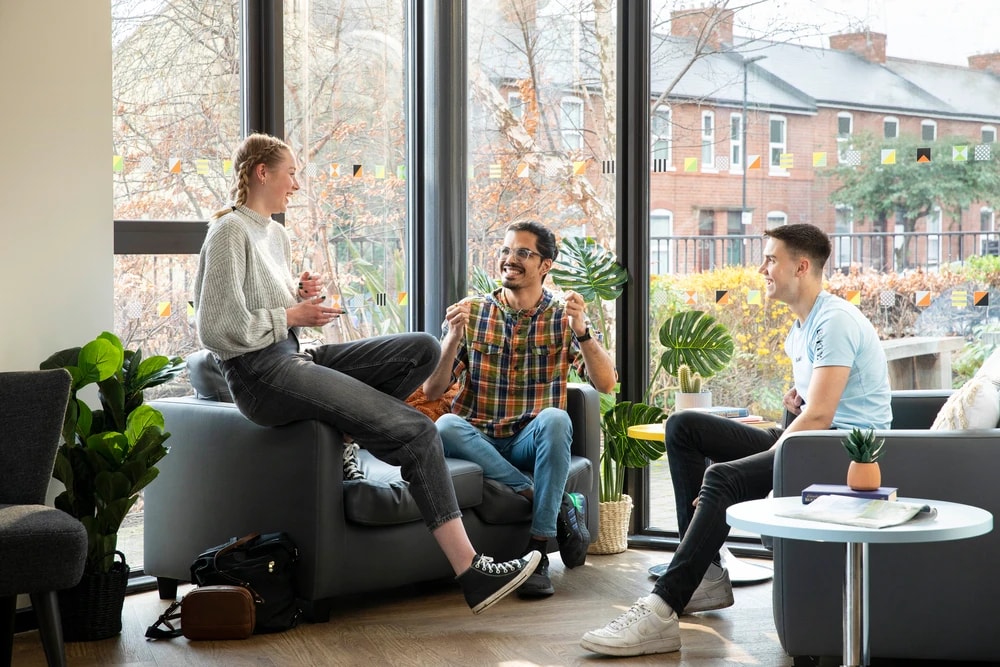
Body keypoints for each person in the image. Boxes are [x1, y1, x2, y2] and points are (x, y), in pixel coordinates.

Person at [193, 132, 540, 615]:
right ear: (261, 173)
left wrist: (298, 295)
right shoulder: (229, 231)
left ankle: (357, 435)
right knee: (418, 432)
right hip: (258, 374)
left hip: (294, 357)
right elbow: (215, 327)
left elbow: (263, 302)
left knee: (419, 349)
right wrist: (291, 316)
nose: (296, 183)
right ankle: (471, 572)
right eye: (290, 172)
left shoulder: (276, 233)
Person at [581, 223, 892, 656]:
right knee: (684, 425)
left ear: (801, 267)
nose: (762, 268)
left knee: (724, 479)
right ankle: (706, 576)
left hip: (844, 454)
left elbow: (821, 416)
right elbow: (813, 407)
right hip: (812, 439)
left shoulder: (833, 321)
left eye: (771, 259)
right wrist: (790, 408)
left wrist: (768, 451)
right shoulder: (802, 328)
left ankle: (661, 609)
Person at [422, 221, 618, 598]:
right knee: (446, 424)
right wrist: (452, 338)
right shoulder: (475, 311)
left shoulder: (562, 316)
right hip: (478, 435)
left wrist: (583, 332)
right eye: (506, 251)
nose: (510, 260)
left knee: (557, 419)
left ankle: (538, 553)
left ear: (546, 265)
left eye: (523, 253)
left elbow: (606, 384)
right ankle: (553, 500)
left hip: (529, 438)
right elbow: (433, 390)